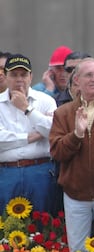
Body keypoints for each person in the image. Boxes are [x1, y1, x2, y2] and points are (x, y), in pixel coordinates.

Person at [49, 58, 94, 252]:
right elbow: (57, 152)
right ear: (77, 81)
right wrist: (76, 135)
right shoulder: (63, 113)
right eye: (89, 75)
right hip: (75, 195)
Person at [0, 54, 57, 213]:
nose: (19, 79)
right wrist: (31, 136)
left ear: (31, 77)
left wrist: (27, 109)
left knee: (44, 227)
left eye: (24, 74)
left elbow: (53, 131)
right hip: (7, 172)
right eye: (14, 74)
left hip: (40, 170)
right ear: (5, 76)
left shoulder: (46, 101)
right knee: (6, 228)